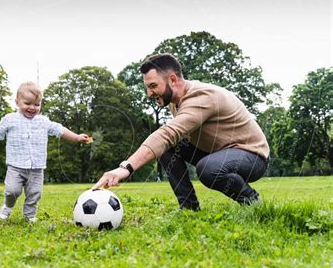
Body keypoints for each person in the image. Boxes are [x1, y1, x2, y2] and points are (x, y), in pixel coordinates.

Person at [92, 53, 269, 210]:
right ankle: (189, 208)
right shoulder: (174, 100)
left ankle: (254, 204)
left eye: (153, 86)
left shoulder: (201, 97)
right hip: (220, 152)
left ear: (173, 79)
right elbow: (169, 139)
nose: (148, 93)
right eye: (147, 87)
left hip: (252, 157)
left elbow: (168, 133)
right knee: (168, 148)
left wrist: (126, 168)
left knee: (207, 168)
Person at [0, 82, 90, 223]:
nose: (32, 108)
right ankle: (8, 206)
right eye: (27, 103)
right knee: (12, 190)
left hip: (37, 167)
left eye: (36, 104)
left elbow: (60, 130)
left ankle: (29, 215)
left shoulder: (43, 121)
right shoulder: (9, 119)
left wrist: (77, 137)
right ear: (17, 102)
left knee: (34, 193)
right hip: (15, 166)